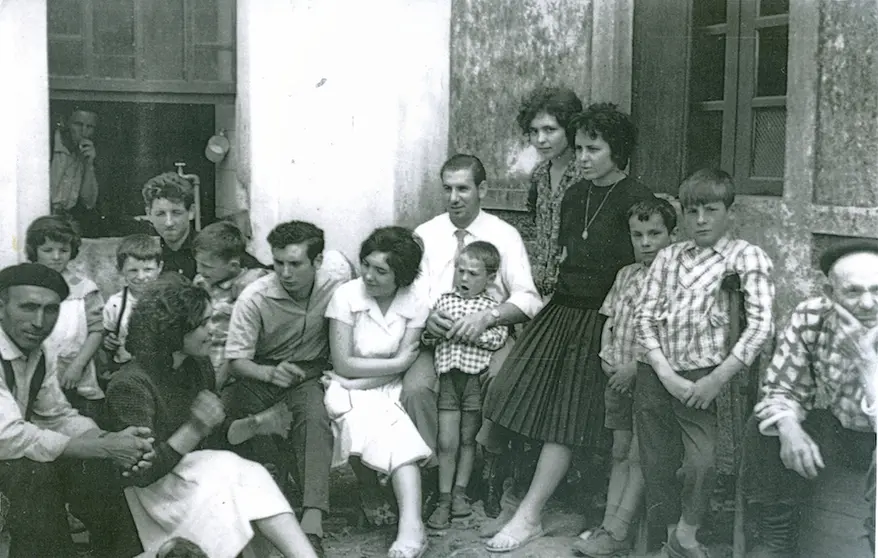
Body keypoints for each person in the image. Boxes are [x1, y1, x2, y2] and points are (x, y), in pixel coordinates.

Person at [480, 103, 655, 553]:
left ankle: (530, 515)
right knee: (505, 392)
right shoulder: (575, 194)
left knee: (563, 421)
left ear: (618, 150)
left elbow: (642, 269)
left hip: (601, 320)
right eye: (578, 148)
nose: (582, 156)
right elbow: (563, 256)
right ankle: (512, 496)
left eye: (593, 148)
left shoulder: (636, 197)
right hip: (561, 311)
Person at [105, 278, 319, 558]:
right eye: (204, 324)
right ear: (174, 331)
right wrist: (194, 428)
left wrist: (256, 424)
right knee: (230, 472)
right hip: (156, 496)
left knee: (242, 473)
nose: (214, 331)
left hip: (195, 476)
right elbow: (142, 473)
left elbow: (213, 436)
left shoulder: (197, 364)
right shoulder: (131, 384)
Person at [635, 168, 775, 558]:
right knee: (656, 459)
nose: (700, 220)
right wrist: (663, 371)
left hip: (704, 378)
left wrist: (718, 378)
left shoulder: (746, 257)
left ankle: (686, 532)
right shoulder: (669, 257)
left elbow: (762, 326)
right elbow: (644, 317)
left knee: (702, 461)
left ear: (729, 212)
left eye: (710, 210)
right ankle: (666, 540)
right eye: (691, 211)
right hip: (658, 372)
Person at [410, 153, 543, 508]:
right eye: (448, 189)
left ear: (482, 189)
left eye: (463, 189)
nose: (454, 198)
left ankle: (492, 468)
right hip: (440, 339)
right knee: (416, 389)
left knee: (504, 382)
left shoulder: (504, 234)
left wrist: (489, 317)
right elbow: (413, 292)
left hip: (491, 334)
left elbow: (529, 298)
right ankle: (434, 474)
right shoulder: (426, 234)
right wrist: (427, 319)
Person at [0, 263, 153, 558]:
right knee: (33, 474)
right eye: (28, 307)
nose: (39, 321)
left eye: (50, 310)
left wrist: (108, 438)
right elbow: (7, 436)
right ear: (1, 306)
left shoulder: (41, 351)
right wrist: (101, 448)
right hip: (7, 448)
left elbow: (55, 414)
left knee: (98, 467)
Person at [221, 220, 353, 557]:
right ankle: (249, 517)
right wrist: (268, 374)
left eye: (295, 263)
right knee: (234, 419)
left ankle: (311, 523)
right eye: (278, 262)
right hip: (259, 373)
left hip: (306, 375)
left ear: (317, 261)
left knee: (314, 419)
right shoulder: (255, 297)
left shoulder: (337, 286)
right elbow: (236, 359)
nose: (285, 272)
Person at [742, 239, 878, 558]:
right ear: (830, 295)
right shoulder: (812, 317)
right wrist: (789, 428)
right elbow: (781, 389)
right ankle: (775, 536)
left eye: (877, 290)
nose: (869, 303)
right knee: (765, 422)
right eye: (854, 292)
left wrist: (866, 364)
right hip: (843, 432)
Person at [573, 197, 677, 557]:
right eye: (638, 235)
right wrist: (607, 357)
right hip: (615, 375)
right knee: (619, 449)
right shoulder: (626, 275)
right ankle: (607, 524)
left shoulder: (672, 280)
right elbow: (610, 321)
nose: (646, 242)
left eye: (654, 234)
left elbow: (669, 337)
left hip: (648, 380)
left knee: (637, 453)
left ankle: (620, 530)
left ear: (671, 235)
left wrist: (635, 368)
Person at [322, 226, 432, 558]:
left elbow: (403, 366)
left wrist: (370, 375)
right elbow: (342, 362)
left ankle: (411, 527)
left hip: (384, 387)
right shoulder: (346, 296)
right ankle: (402, 515)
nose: (369, 275)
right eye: (366, 265)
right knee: (375, 421)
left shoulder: (416, 301)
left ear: (402, 275)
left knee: (394, 429)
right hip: (344, 388)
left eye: (380, 270)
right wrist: (389, 365)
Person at [422, 241, 509, 530]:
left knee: (469, 439)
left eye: (473, 273)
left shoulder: (492, 308)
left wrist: (473, 333)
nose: (464, 279)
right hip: (448, 379)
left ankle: (460, 493)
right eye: (460, 271)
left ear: (490, 278)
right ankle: (443, 499)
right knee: (447, 441)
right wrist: (437, 329)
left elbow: (497, 340)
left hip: (473, 380)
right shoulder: (445, 301)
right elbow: (431, 334)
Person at [26, 215, 105, 418]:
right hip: (35, 373)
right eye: (48, 250)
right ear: (34, 251)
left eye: (63, 250)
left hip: (74, 373)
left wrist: (77, 365)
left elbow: (97, 330)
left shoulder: (84, 288)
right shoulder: (24, 287)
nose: (56, 257)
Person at [518, 86, 584, 296]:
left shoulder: (585, 174)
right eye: (534, 131)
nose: (540, 139)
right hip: (539, 291)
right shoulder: (539, 175)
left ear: (570, 129)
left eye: (550, 130)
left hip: (573, 293)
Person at [141, 173, 265, 280]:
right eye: (160, 214)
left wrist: (250, 278)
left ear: (191, 212)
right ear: (149, 214)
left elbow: (268, 276)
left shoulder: (213, 246)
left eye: (176, 213)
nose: (169, 222)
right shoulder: (146, 254)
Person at [192, 221, 269, 389]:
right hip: (200, 360)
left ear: (233, 266)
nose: (199, 270)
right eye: (198, 263)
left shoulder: (253, 283)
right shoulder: (200, 282)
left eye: (206, 266)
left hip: (230, 366)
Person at [103, 234, 164, 377]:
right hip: (124, 368)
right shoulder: (115, 304)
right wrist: (107, 342)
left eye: (148, 269)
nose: (141, 277)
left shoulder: (167, 301)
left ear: (159, 267)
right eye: (133, 270)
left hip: (160, 369)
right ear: (120, 269)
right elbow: (107, 334)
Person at [50, 108, 100, 232]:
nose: (84, 132)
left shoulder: (89, 152)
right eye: (78, 124)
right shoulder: (46, 143)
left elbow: (89, 203)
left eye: (90, 127)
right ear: (64, 123)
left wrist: (89, 165)